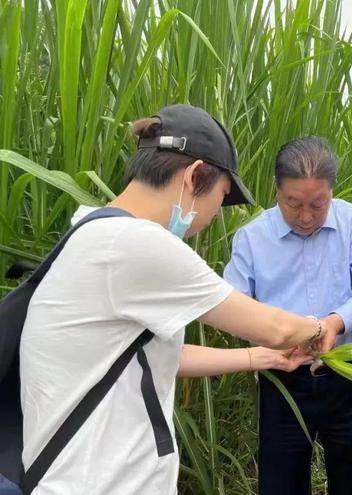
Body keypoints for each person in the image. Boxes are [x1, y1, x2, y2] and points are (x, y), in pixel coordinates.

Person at [18, 104, 326, 495]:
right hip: (98, 482)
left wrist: (261, 358)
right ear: (195, 175)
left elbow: (158, 357)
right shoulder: (138, 244)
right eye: (222, 197)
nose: (216, 215)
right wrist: (319, 327)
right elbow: (277, 328)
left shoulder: (93, 230)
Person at [224, 136, 352, 495]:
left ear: (332, 192)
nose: (305, 216)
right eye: (293, 203)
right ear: (276, 192)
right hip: (282, 379)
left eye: (318, 204)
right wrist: (272, 342)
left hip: (348, 372)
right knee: (280, 484)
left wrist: (335, 321)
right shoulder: (252, 239)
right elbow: (233, 306)